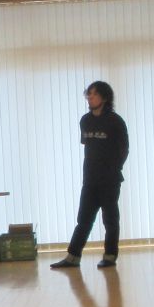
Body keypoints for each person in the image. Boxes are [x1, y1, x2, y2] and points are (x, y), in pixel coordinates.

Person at [53, 80, 128, 270]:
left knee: (110, 220)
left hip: (110, 180)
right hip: (90, 180)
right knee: (84, 219)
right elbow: (90, 149)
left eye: (94, 94)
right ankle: (73, 256)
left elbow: (124, 149)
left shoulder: (115, 121)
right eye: (89, 93)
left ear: (104, 97)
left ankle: (110, 256)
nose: (90, 97)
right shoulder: (85, 121)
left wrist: (114, 169)